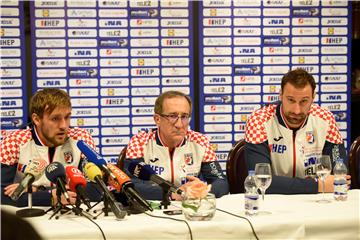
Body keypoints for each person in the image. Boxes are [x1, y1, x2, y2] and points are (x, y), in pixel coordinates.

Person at [244, 69, 351, 194]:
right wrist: (317, 185)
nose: (296, 110)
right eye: (290, 100)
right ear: (280, 95)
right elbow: (260, 181)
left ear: (313, 98)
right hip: (274, 202)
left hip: (316, 202)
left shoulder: (325, 120)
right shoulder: (259, 121)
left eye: (304, 101)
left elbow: (340, 177)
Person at [1, 88, 101, 207]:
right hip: (29, 220)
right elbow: (3, 194)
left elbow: (97, 190)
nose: (64, 126)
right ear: (36, 119)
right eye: (55, 119)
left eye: (67, 117)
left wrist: (36, 190)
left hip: (72, 218)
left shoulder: (81, 139)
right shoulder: (14, 142)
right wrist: (50, 197)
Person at [124, 90, 229, 200]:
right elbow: (131, 185)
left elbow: (220, 182)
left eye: (184, 116)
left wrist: (203, 190)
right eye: (172, 116)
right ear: (157, 119)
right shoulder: (140, 142)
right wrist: (173, 194)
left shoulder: (200, 142)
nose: (179, 124)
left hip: (189, 208)